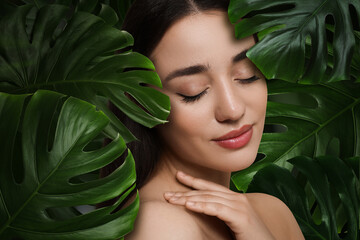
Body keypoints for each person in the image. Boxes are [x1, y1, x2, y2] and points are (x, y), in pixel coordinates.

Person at [102, 0, 305, 239]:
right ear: (139, 100)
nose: (232, 109)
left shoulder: (269, 212)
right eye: (194, 91)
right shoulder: (160, 226)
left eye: (248, 74)